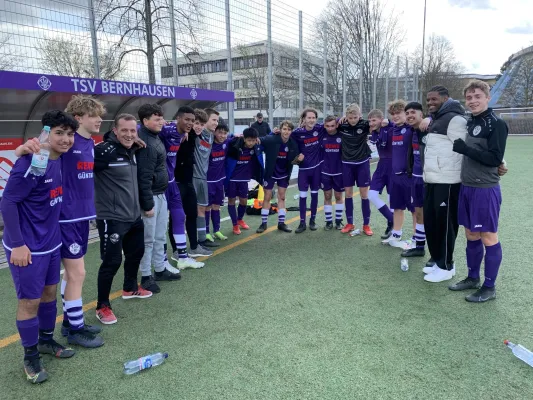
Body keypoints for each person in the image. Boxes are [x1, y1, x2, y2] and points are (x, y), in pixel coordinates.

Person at [14, 95, 105, 348]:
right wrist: (21, 149)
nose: (100, 119)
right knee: (78, 273)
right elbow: (38, 147)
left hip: (81, 218)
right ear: (78, 118)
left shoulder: (88, 143)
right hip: (65, 218)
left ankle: (70, 322)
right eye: (94, 115)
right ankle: (74, 329)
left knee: (73, 275)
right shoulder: (65, 146)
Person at [1, 110, 78, 384]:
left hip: (50, 243)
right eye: (59, 133)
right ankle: (30, 355)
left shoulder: (57, 158)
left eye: (69, 134)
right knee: (30, 301)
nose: (66, 139)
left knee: (49, 294)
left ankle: (46, 340)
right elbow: (7, 203)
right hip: (27, 247)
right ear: (46, 133)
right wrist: (19, 245)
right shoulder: (33, 160)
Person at [448, 80, 508, 302]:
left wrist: (466, 149)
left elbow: (494, 158)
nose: (473, 101)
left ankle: (489, 287)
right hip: (467, 186)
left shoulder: (496, 124)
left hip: (485, 189)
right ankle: (472, 277)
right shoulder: (469, 122)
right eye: (469, 97)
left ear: (487, 97)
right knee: (471, 233)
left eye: (477, 96)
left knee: (488, 236)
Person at [94, 114, 152, 325]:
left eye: (132, 131)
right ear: (115, 131)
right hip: (112, 217)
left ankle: (130, 288)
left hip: (133, 215)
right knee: (111, 262)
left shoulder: (133, 150)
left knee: (136, 252)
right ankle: (102, 305)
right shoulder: (103, 151)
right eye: (124, 130)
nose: (129, 134)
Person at [420, 86, 466, 282]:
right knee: (432, 223)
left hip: (447, 182)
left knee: (445, 225)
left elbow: (465, 147)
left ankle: (447, 265)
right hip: (432, 180)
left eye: (434, 99)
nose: (430, 103)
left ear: (446, 98)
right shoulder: (437, 118)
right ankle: (439, 261)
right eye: (428, 100)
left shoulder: (455, 119)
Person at [136, 104, 180, 294]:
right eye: (157, 118)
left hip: (161, 194)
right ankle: (146, 276)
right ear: (145, 121)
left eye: (161, 118)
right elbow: (143, 177)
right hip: (151, 197)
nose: (161, 121)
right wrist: (147, 204)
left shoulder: (154, 138)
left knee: (160, 236)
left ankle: (160, 269)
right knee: (148, 239)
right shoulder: (145, 141)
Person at [159, 107, 205, 269]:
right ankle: (162, 261)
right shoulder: (167, 130)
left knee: (180, 216)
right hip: (161, 185)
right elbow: (142, 129)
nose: (190, 123)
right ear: (177, 118)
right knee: (161, 224)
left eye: (192, 121)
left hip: (173, 182)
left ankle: (183, 257)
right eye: (187, 120)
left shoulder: (184, 134)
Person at [174, 108, 213, 258]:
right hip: (176, 182)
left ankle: (194, 247)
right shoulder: (180, 135)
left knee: (191, 214)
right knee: (177, 217)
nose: (197, 126)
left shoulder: (194, 137)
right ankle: (177, 251)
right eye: (195, 122)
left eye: (201, 124)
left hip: (188, 181)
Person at [256, 120, 301, 233]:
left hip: (284, 174)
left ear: (291, 131)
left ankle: (281, 223)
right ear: (280, 130)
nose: (286, 131)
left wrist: (299, 160)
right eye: (284, 129)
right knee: (267, 197)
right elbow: (259, 140)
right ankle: (263, 223)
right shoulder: (272, 139)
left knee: (282, 197)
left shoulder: (293, 143)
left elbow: (297, 158)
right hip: (270, 173)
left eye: (289, 129)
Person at [381, 100, 414, 248]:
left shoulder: (412, 128)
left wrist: (428, 119)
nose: (395, 116)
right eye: (393, 114)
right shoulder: (392, 128)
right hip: (395, 176)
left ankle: (416, 239)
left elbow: (427, 120)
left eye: (398, 113)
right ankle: (396, 235)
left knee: (415, 210)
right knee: (397, 207)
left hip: (409, 176)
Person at [338, 104, 373, 236]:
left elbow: (379, 123)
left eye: (355, 117)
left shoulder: (364, 124)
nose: (353, 120)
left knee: (364, 195)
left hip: (362, 163)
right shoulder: (341, 125)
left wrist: (386, 121)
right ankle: (350, 223)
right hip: (346, 163)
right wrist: (338, 120)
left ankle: (366, 225)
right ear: (346, 117)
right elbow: (329, 125)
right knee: (348, 194)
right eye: (350, 117)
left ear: (360, 116)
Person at [225, 127, 264, 234]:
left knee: (244, 201)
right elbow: (224, 138)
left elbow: (268, 139)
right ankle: (235, 225)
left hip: (244, 179)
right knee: (231, 201)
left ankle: (240, 219)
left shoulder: (256, 147)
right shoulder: (235, 145)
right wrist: (233, 135)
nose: (251, 143)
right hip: (232, 179)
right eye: (249, 140)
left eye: (253, 140)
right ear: (244, 138)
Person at [291, 108, 324, 233]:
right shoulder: (296, 133)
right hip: (304, 171)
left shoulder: (320, 129)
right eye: (309, 118)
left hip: (316, 170)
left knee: (314, 195)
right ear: (304, 119)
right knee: (303, 197)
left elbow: (334, 123)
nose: (311, 120)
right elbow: (285, 135)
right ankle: (302, 222)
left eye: (313, 118)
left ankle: (312, 221)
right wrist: (274, 132)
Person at [193, 108, 220, 249]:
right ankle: (190, 244)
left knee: (202, 208)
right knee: (190, 212)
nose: (216, 123)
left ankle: (202, 240)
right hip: (192, 177)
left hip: (203, 177)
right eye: (214, 120)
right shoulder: (195, 132)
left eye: (217, 120)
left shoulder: (210, 136)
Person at [404, 102, 427, 258]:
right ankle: (420, 247)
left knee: (432, 216)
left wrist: (431, 119)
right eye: (407, 113)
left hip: (430, 180)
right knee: (418, 214)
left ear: (421, 114)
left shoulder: (431, 128)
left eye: (413, 112)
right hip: (415, 178)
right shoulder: (412, 131)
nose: (410, 115)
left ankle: (437, 255)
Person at [367, 109, 394, 238]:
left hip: (394, 165)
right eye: (370, 120)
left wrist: (389, 122)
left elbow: (401, 126)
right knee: (371, 195)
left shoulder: (389, 128)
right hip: (381, 165)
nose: (371, 123)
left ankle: (392, 228)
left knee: (391, 199)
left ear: (381, 119)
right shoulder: (373, 134)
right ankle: (392, 219)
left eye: (374, 120)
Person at [320, 116, 345, 230]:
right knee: (327, 195)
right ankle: (329, 221)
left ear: (337, 125)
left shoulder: (341, 135)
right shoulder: (322, 134)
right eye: (327, 126)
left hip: (339, 172)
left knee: (338, 195)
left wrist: (341, 117)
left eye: (332, 126)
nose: (330, 129)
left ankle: (338, 221)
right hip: (325, 171)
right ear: (324, 125)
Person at [206, 124, 230, 240]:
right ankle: (206, 232)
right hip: (208, 181)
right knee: (207, 207)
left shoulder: (227, 143)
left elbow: (242, 139)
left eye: (225, 133)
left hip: (220, 180)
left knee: (216, 206)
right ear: (214, 132)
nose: (222, 135)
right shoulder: (208, 144)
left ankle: (216, 230)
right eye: (220, 132)